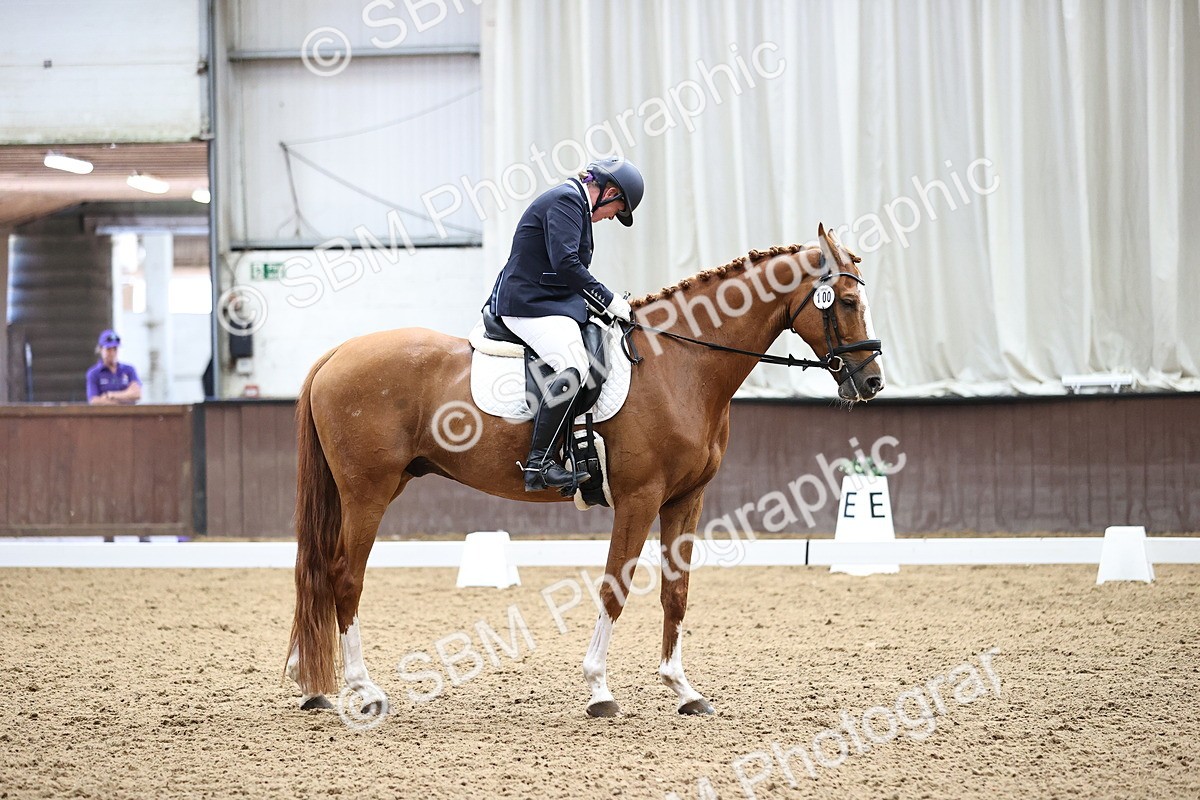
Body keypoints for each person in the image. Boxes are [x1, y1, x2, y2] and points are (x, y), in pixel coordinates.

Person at [487, 156, 644, 492]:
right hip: (528, 304)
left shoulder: (574, 204)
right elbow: (566, 264)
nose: (609, 217)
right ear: (609, 192)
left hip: (549, 300)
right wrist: (608, 299)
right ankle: (539, 464)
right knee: (573, 364)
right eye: (614, 211)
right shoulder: (567, 200)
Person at [86, 330, 143, 405]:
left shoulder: (128, 370)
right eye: (108, 349)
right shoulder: (94, 373)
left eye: (115, 349)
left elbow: (136, 394)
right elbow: (94, 400)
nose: (112, 353)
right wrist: (126, 397)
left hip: (129, 412)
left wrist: (111, 395)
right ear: (100, 349)